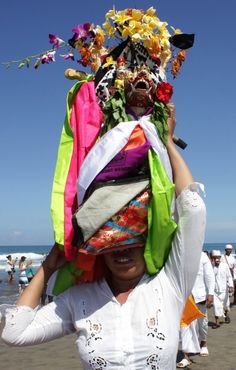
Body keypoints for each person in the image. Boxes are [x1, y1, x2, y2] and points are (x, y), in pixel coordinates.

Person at [1, 103, 206, 370]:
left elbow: (193, 208)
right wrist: (48, 267)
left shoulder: (170, 285)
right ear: (101, 251)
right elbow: (14, 333)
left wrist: (167, 142)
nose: (122, 251)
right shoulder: (79, 299)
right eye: (112, 244)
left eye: (131, 243)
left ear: (146, 243)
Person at [177, 251, 215, 368]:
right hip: (184, 297)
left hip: (200, 297)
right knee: (184, 326)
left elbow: (209, 275)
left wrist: (210, 293)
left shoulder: (203, 256)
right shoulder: (179, 254)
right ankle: (186, 356)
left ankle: (203, 343)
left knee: (202, 324)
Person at [211, 250, 234, 328]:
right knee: (216, 306)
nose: (217, 259)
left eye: (218, 257)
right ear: (213, 258)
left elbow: (229, 277)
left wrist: (231, 285)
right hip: (214, 291)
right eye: (215, 258)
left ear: (220, 258)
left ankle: (226, 315)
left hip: (224, 290)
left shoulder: (225, 266)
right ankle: (217, 322)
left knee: (226, 305)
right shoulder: (210, 266)